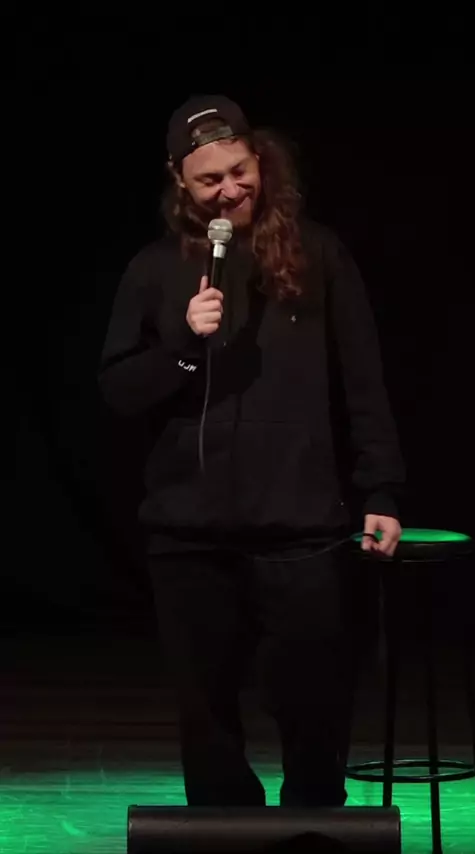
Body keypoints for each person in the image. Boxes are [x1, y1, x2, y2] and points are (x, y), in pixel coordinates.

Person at [98, 94, 405, 808]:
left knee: (313, 695)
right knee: (205, 709)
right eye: (210, 180)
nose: (230, 190)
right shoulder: (154, 269)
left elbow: (362, 381)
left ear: (260, 161)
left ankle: (313, 823)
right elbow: (118, 390)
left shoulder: (318, 254)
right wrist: (182, 345)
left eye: (240, 171)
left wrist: (381, 489)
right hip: (187, 528)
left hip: (299, 524)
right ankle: (222, 823)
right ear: (179, 181)